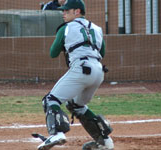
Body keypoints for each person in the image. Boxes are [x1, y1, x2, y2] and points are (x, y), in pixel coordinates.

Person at [37, 0, 114, 150]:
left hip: (81, 68)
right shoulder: (97, 28)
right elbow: (102, 52)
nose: (63, 13)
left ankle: (57, 133)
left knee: (50, 100)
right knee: (76, 105)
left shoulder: (66, 28)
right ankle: (104, 141)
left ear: (77, 11)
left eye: (66, 11)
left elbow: (53, 53)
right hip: (98, 71)